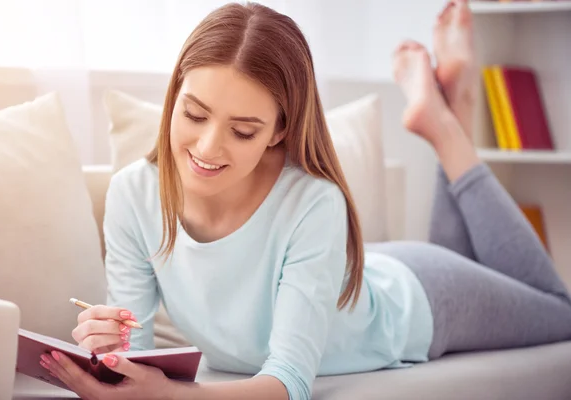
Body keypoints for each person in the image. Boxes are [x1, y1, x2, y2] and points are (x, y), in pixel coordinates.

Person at [39, 1, 571, 399]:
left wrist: (176, 396)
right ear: (175, 92)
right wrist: (110, 350)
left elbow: (289, 380)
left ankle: (448, 127)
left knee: (560, 313)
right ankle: (451, 105)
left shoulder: (314, 201)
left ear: (278, 131)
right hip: (344, 280)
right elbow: (140, 351)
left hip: (423, 299)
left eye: (242, 131)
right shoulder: (134, 193)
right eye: (194, 114)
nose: (206, 148)